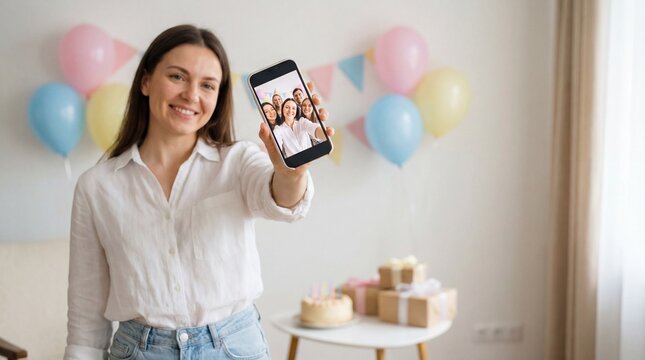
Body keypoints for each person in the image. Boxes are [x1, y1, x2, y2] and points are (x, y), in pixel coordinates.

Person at [63, 24, 333, 360]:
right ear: (146, 81)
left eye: (207, 85)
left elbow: (281, 202)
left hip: (235, 347)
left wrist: (290, 170)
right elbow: (87, 310)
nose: (192, 95)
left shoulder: (237, 161)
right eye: (177, 77)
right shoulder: (97, 186)